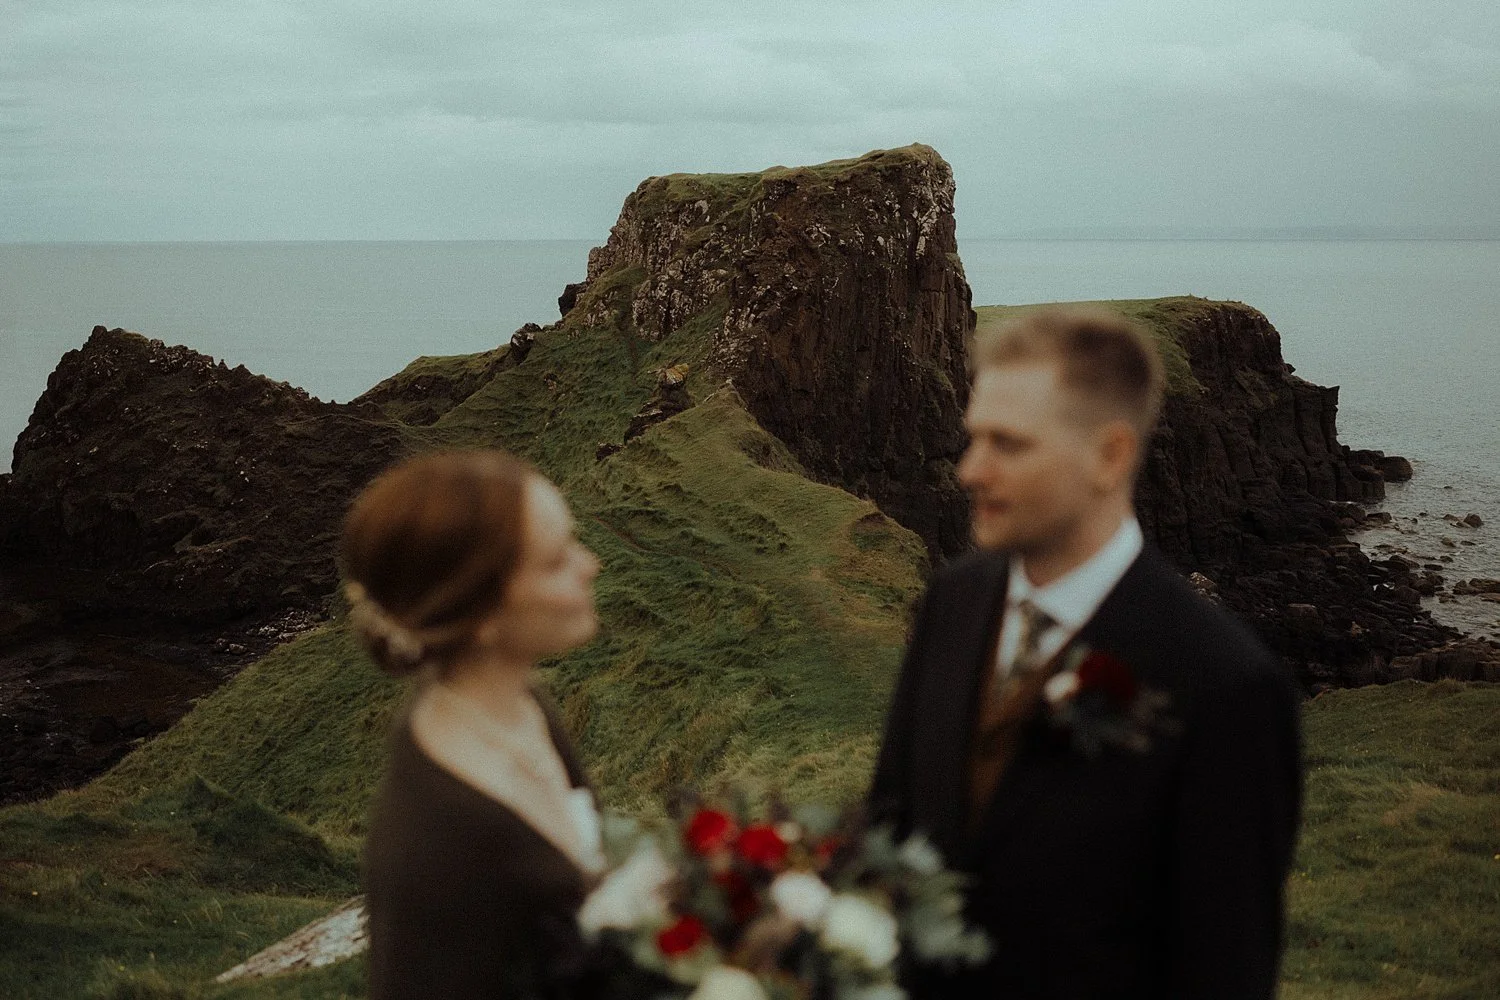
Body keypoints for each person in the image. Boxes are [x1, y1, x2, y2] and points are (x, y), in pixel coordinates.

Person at [868, 307, 1303, 999]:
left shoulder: (1226, 687)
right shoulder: (952, 602)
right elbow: (889, 829)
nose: (969, 471)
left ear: (1110, 455)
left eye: (1008, 444)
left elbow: (1223, 968)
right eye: (972, 437)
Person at [344, 449, 611, 999]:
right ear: (483, 614)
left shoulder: (525, 708)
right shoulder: (435, 843)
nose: (592, 565)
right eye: (557, 560)